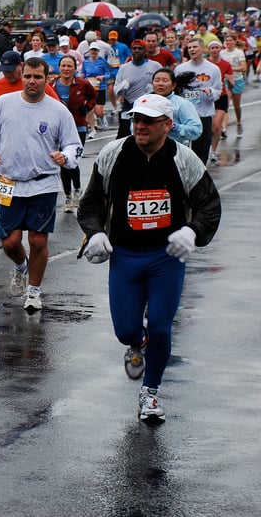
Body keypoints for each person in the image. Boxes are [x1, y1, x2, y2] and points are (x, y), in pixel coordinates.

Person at [77, 93, 221, 423]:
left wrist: (192, 232)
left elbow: (209, 206)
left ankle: (150, 393)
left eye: (148, 121)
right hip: (125, 256)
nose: (139, 126)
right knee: (126, 330)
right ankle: (136, 343)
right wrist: (97, 231)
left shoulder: (184, 160)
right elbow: (90, 205)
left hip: (165, 257)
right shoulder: (113, 154)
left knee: (160, 327)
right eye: (136, 119)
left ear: (168, 125)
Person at [0, 56, 82, 312]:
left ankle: (34, 291)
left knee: (38, 241)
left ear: (47, 79)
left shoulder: (57, 109)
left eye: (38, 77)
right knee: (10, 242)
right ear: (22, 75)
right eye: (28, 76)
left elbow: (73, 144)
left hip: (43, 183)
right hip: (9, 182)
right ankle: (20, 267)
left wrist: (64, 156)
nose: (32, 81)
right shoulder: (3, 104)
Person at [51, 56, 97, 212]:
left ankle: (77, 189)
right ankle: (68, 196)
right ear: (59, 67)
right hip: (59, 129)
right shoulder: (52, 85)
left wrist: (88, 107)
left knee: (73, 161)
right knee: (63, 162)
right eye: (63, 65)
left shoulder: (83, 84)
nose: (66, 68)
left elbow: (93, 96)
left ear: (74, 68)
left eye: (69, 65)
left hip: (78, 127)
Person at [174, 38, 222, 163]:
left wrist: (210, 92)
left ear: (202, 49)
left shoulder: (213, 69)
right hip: (184, 116)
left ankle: (200, 177)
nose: (192, 50)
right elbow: (176, 92)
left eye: (195, 47)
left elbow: (218, 91)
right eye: (189, 48)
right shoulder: (180, 69)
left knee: (201, 151)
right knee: (182, 150)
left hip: (203, 114)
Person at [113, 40, 162, 139]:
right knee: (125, 137)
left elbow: (164, 82)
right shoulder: (124, 68)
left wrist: (154, 89)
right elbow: (115, 89)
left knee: (146, 135)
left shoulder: (155, 66)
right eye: (134, 48)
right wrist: (122, 87)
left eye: (140, 48)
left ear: (145, 51)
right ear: (131, 51)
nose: (137, 51)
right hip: (129, 106)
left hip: (148, 107)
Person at [149, 68, 202, 147]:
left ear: (173, 85)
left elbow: (196, 130)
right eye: (157, 80)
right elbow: (134, 128)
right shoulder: (144, 101)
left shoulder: (182, 104)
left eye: (165, 80)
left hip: (175, 151)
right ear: (152, 84)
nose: (160, 84)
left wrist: (175, 127)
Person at [220, 33, 247, 136]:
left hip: (237, 80)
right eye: (227, 41)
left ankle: (239, 122)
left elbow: (243, 68)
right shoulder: (222, 53)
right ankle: (224, 129)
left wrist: (230, 69)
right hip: (226, 81)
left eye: (230, 40)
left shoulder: (239, 53)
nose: (228, 42)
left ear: (235, 41)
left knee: (236, 106)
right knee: (225, 104)